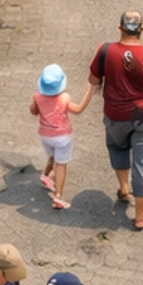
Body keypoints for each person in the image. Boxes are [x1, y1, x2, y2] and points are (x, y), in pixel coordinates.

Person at [86, 8, 143, 227]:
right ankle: (140, 216)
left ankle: (124, 189)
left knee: (118, 148)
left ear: (120, 28)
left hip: (115, 115)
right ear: (142, 30)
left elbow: (93, 80)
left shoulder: (105, 50)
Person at [30, 62, 89, 210]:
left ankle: (46, 176)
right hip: (62, 137)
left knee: (52, 156)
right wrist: (89, 92)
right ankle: (58, 196)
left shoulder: (37, 97)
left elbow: (33, 111)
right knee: (61, 164)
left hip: (45, 135)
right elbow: (77, 110)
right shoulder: (65, 97)